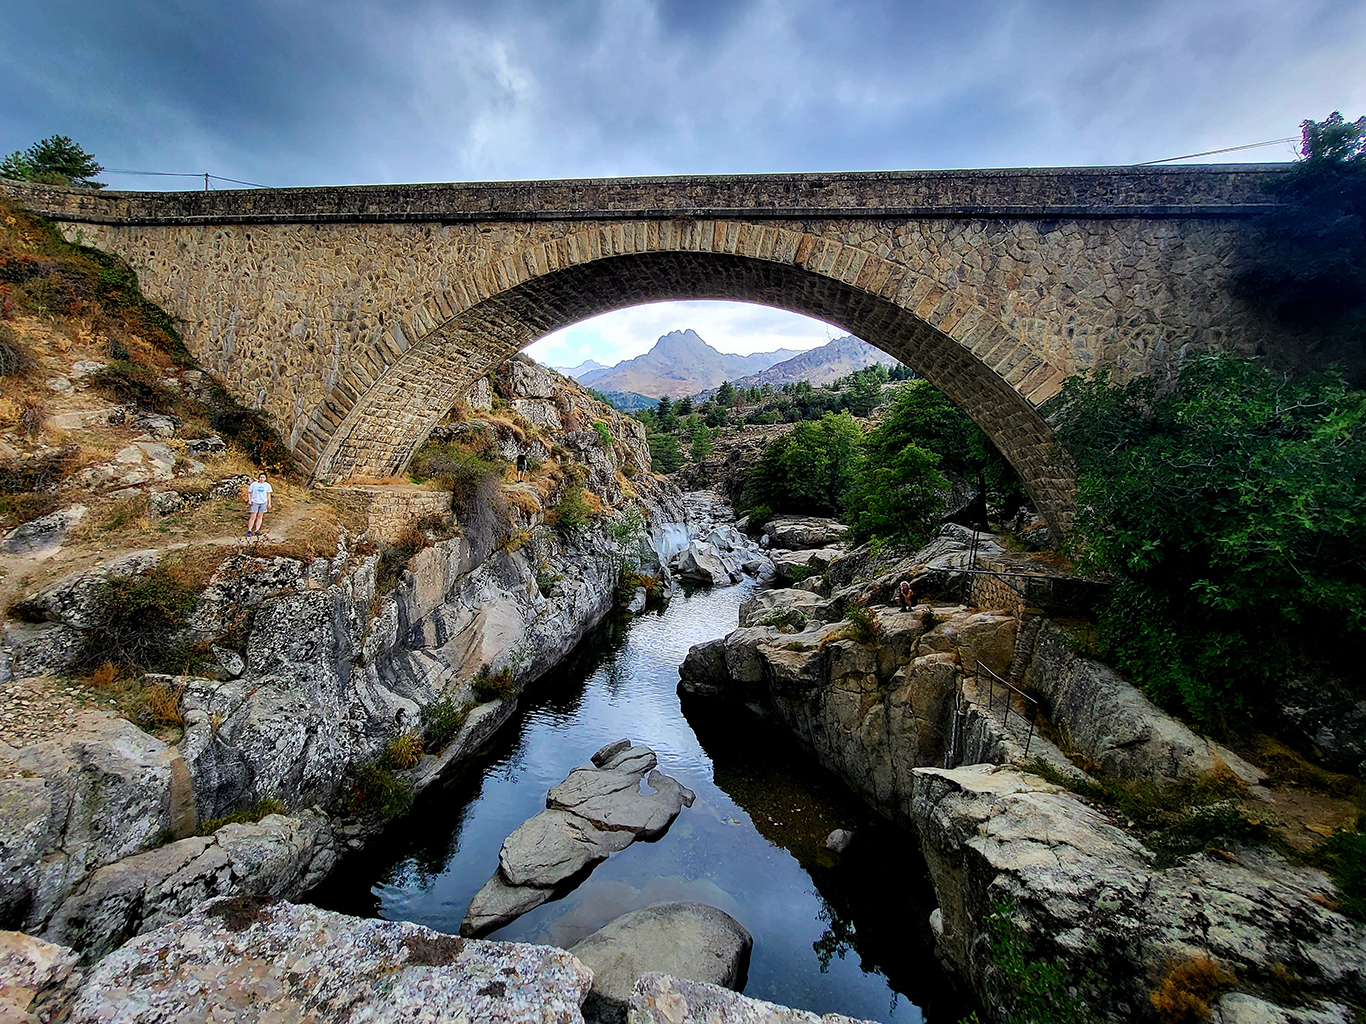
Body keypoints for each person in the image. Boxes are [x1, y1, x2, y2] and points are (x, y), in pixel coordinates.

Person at [246, 471, 272, 537]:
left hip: (263, 502)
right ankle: (249, 530)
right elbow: (249, 492)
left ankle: (257, 530)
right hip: (255, 501)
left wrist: (269, 503)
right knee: (253, 516)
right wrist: (249, 500)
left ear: (265, 478)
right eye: (260, 477)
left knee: (260, 516)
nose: (261, 479)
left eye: (263, 477)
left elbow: (268, 494)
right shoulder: (254, 484)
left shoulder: (267, 485)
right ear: (258, 478)